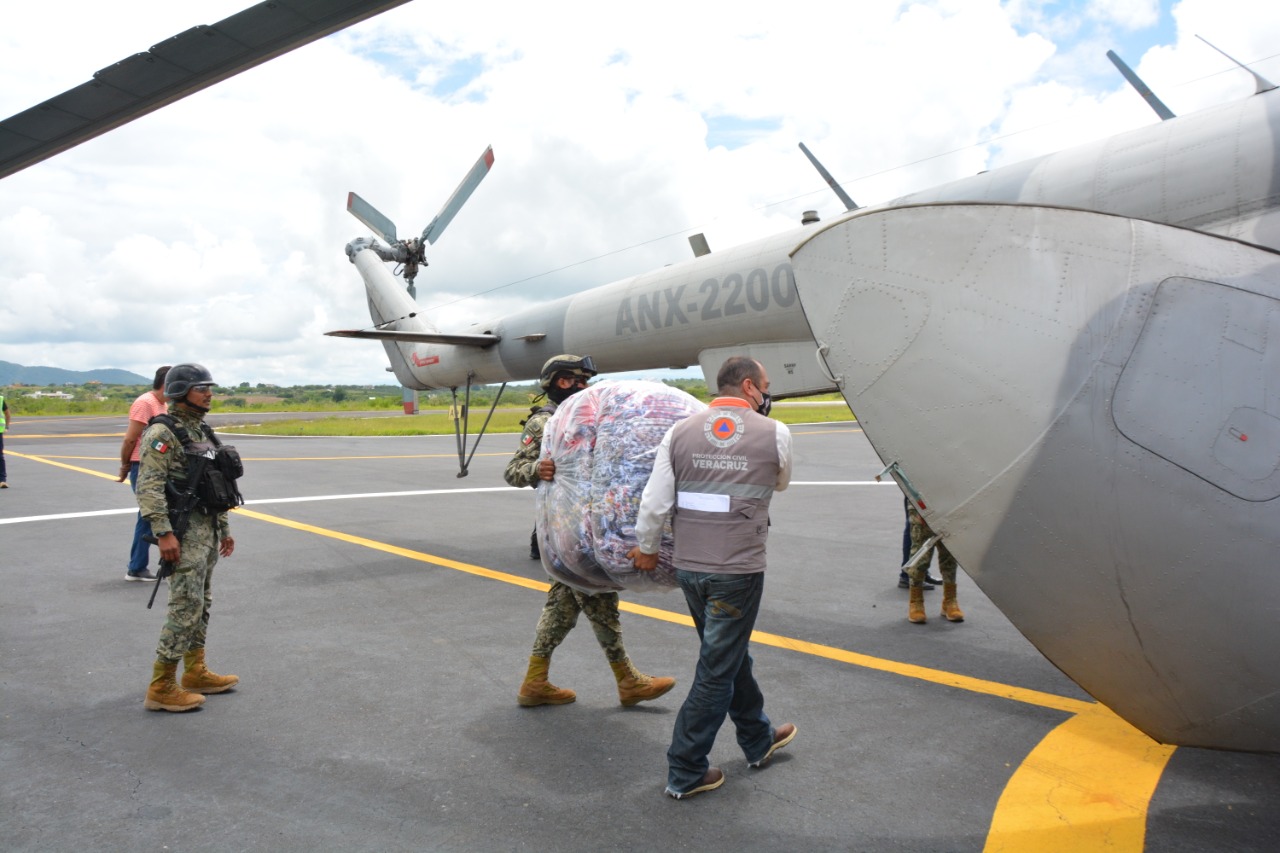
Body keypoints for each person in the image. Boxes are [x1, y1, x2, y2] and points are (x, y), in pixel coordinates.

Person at [627, 356, 796, 799]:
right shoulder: (774, 433)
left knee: (728, 655)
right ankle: (685, 769)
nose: (767, 392)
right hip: (737, 571)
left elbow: (655, 501)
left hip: (691, 569)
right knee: (716, 669)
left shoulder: (679, 431)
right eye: (765, 385)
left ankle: (758, 738)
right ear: (748, 386)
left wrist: (646, 549)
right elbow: (780, 484)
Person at [504, 354, 675, 708]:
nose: (579, 386)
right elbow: (513, 470)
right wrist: (539, 467)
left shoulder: (595, 418)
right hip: (567, 530)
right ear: (552, 382)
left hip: (595, 525)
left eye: (583, 380)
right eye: (569, 380)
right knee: (598, 600)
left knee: (565, 602)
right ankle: (626, 680)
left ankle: (536, 682)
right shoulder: (545, 423)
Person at [138, 364, 239, 712]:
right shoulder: (162, 434)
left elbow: (217, 482)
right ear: (181, 392)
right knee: (185, 606)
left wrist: (223, 529)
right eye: (201, 388)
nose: (209, 393)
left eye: (209, 387)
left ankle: (195, 672)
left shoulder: (202, 431)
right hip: (183, 532)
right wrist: (163, 533)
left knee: (202, 603)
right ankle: (161, 685)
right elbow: (148, 487)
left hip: (207, 530)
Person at [118, 366, 170, 581]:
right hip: (142, 465)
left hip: (157, 465)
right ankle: (136, 567)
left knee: (150, 515)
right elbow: (130, 439)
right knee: (149, 515)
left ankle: (140, 565)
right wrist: (124, 466)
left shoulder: (162, 404)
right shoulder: (145, 403)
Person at [905, 503, 965, 624]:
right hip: (921, 503)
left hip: (949, 503)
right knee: (921, 556)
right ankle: (916, 602)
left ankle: (950, 600)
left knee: (949, 554)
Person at [898, 496, 940, 590]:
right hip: (917, 492)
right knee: (916, 530)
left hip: (919, 491)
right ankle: (910, 576)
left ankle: (920, 573)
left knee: (921, 530)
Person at [0, 390, 9, 488]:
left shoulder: (0, 399)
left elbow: (7, 413)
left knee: (0, 456)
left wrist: (7, 427)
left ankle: (2, 480)